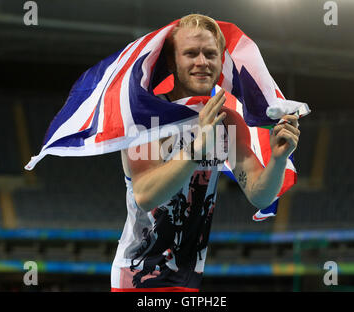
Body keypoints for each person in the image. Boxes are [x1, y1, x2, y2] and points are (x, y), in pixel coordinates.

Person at [110, 14, 300, 292]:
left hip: (189, 277)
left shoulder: (227, 121)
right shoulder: (146, 117)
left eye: (210, 54)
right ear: (172, 61)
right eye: (190, 53)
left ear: (221, 60)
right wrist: (197, 150)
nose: (202, 62)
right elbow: (146, 195)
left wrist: (278, 158)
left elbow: (260, 195)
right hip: (137, 275)